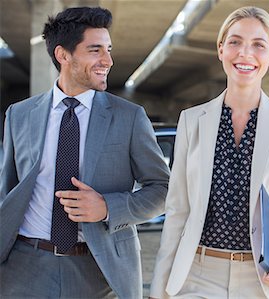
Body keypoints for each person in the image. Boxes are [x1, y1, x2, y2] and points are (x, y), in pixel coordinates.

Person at [0, 7, 170, 298]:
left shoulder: (129, 117)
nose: (108, 60)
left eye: (108, 49)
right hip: (23, 267)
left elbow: (164, 190)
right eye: (95, 50)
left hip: (99, 271)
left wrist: (107, 207)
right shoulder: (20, 114)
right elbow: (8, 189)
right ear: (63, 55)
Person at [150, 6, 269, 299]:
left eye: (258, 45)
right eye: (235, 42)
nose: (245, 53)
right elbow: (178, 212)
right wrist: (159, 290)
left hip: (259, 279)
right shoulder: (191, 120)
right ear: (221, 49)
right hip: (196, 275)